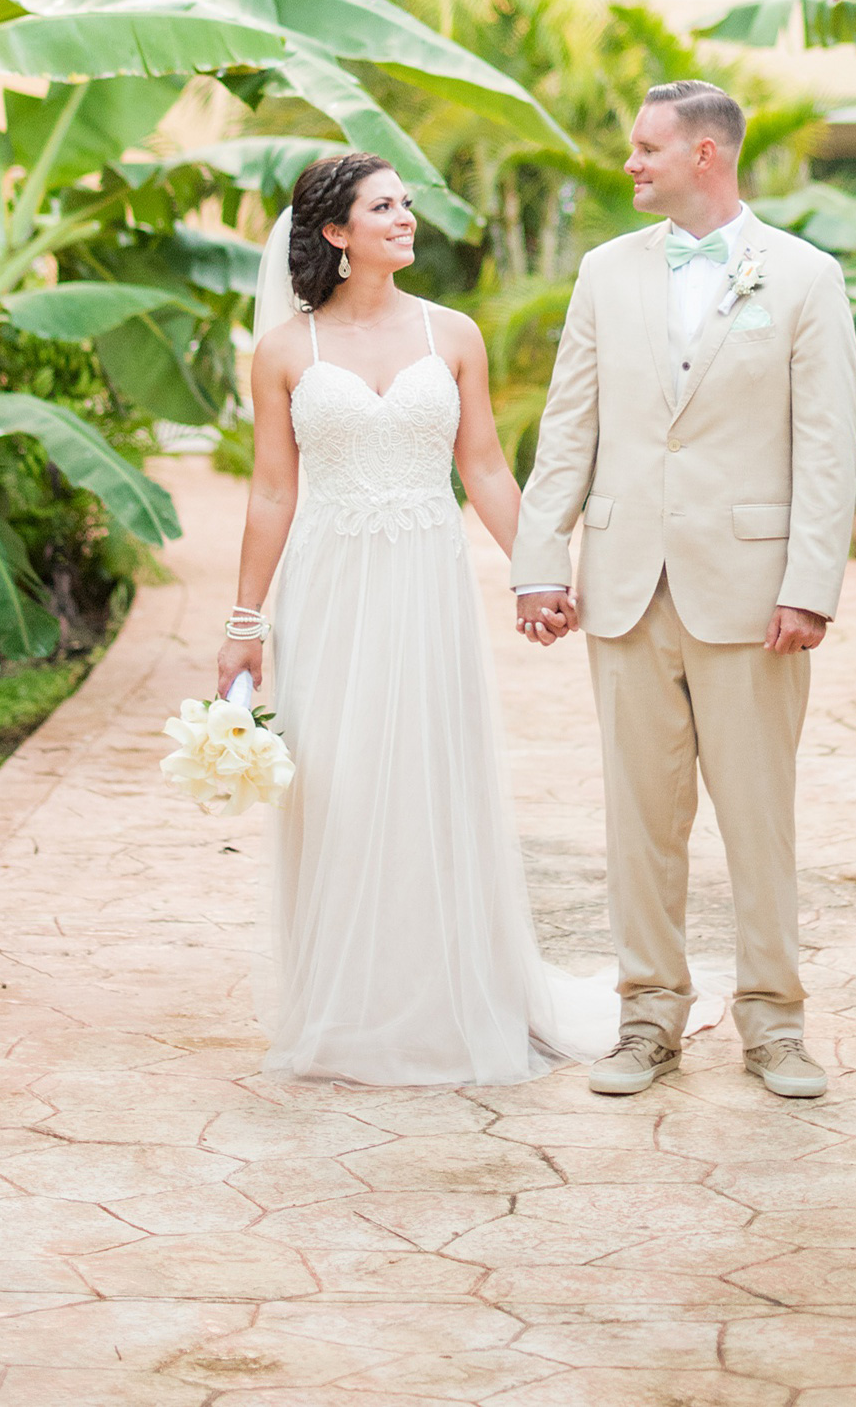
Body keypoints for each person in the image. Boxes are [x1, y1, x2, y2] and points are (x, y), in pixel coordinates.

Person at [216, 152, 623, 1086]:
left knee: (431, 772)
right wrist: (247, 620)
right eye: (384, 206)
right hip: (329, 588)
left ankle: (450, 996)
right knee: (343, 783)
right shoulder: (285, 352)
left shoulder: (454, 334)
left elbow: (483, 468)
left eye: (406, 203)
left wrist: (541, 573)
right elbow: (273, 493)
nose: (407, 218)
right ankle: (347, 1008)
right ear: (334, 233)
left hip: (425, 582)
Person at [511, 79, 856, 1100]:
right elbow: (566, 424)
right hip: (622, 590)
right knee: (637, 821)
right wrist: (541, 559)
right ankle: (646, 1018)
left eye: (645, 146)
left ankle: (773, 1024)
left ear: (706, 154)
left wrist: (808, 585)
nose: (629, 162)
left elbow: (827, 445)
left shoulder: (803, 276)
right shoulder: (602, 272)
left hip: (753, 599)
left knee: (759, 818)